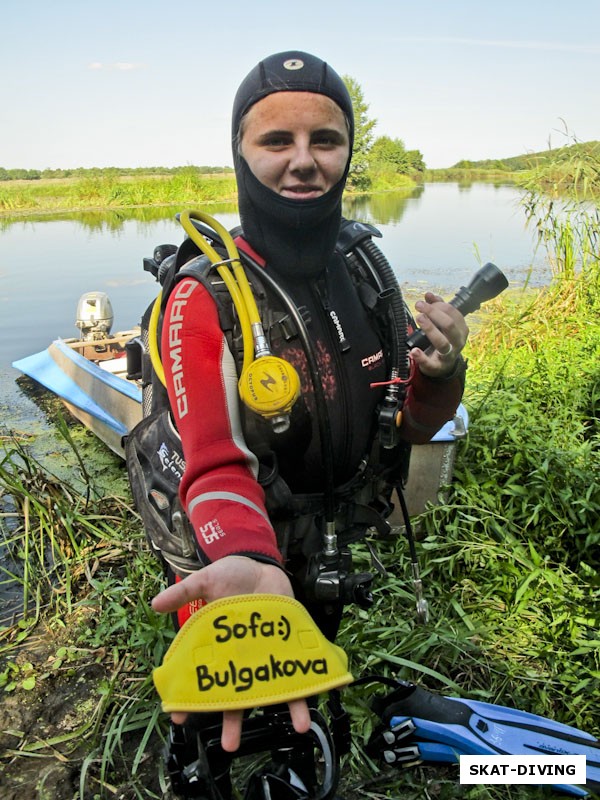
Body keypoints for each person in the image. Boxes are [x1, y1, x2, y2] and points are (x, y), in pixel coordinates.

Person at [142, 49, 468, 794]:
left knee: (308, 656)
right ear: (240, 152)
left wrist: (442, 376)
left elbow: (406, 421)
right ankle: (199, 762)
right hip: (228, 544)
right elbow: (215, 456)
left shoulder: (366, 271)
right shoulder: (202, 299)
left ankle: (298, 755)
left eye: (325, 139)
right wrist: (251, 559)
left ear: (350, 150)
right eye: (275, 142)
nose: (303, 162)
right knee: (218, 681)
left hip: (328, 533)